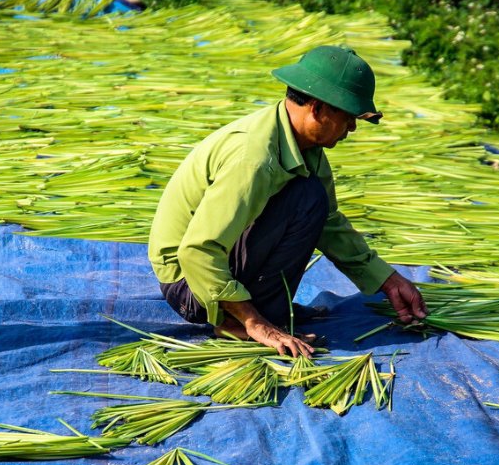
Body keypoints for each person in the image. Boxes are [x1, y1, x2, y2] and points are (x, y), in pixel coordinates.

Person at [148, 45, 427, 358]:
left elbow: (329, 223)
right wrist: (255, 322)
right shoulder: (253, 159)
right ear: (318, 110)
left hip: (216, 268)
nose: (352, 128)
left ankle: (261, 309)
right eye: (348, 117)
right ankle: (234, 320)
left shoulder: (302, 143)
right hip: (191, 286)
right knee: (303, 198)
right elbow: (197, 251)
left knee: (310, 200)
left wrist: (387, 279)